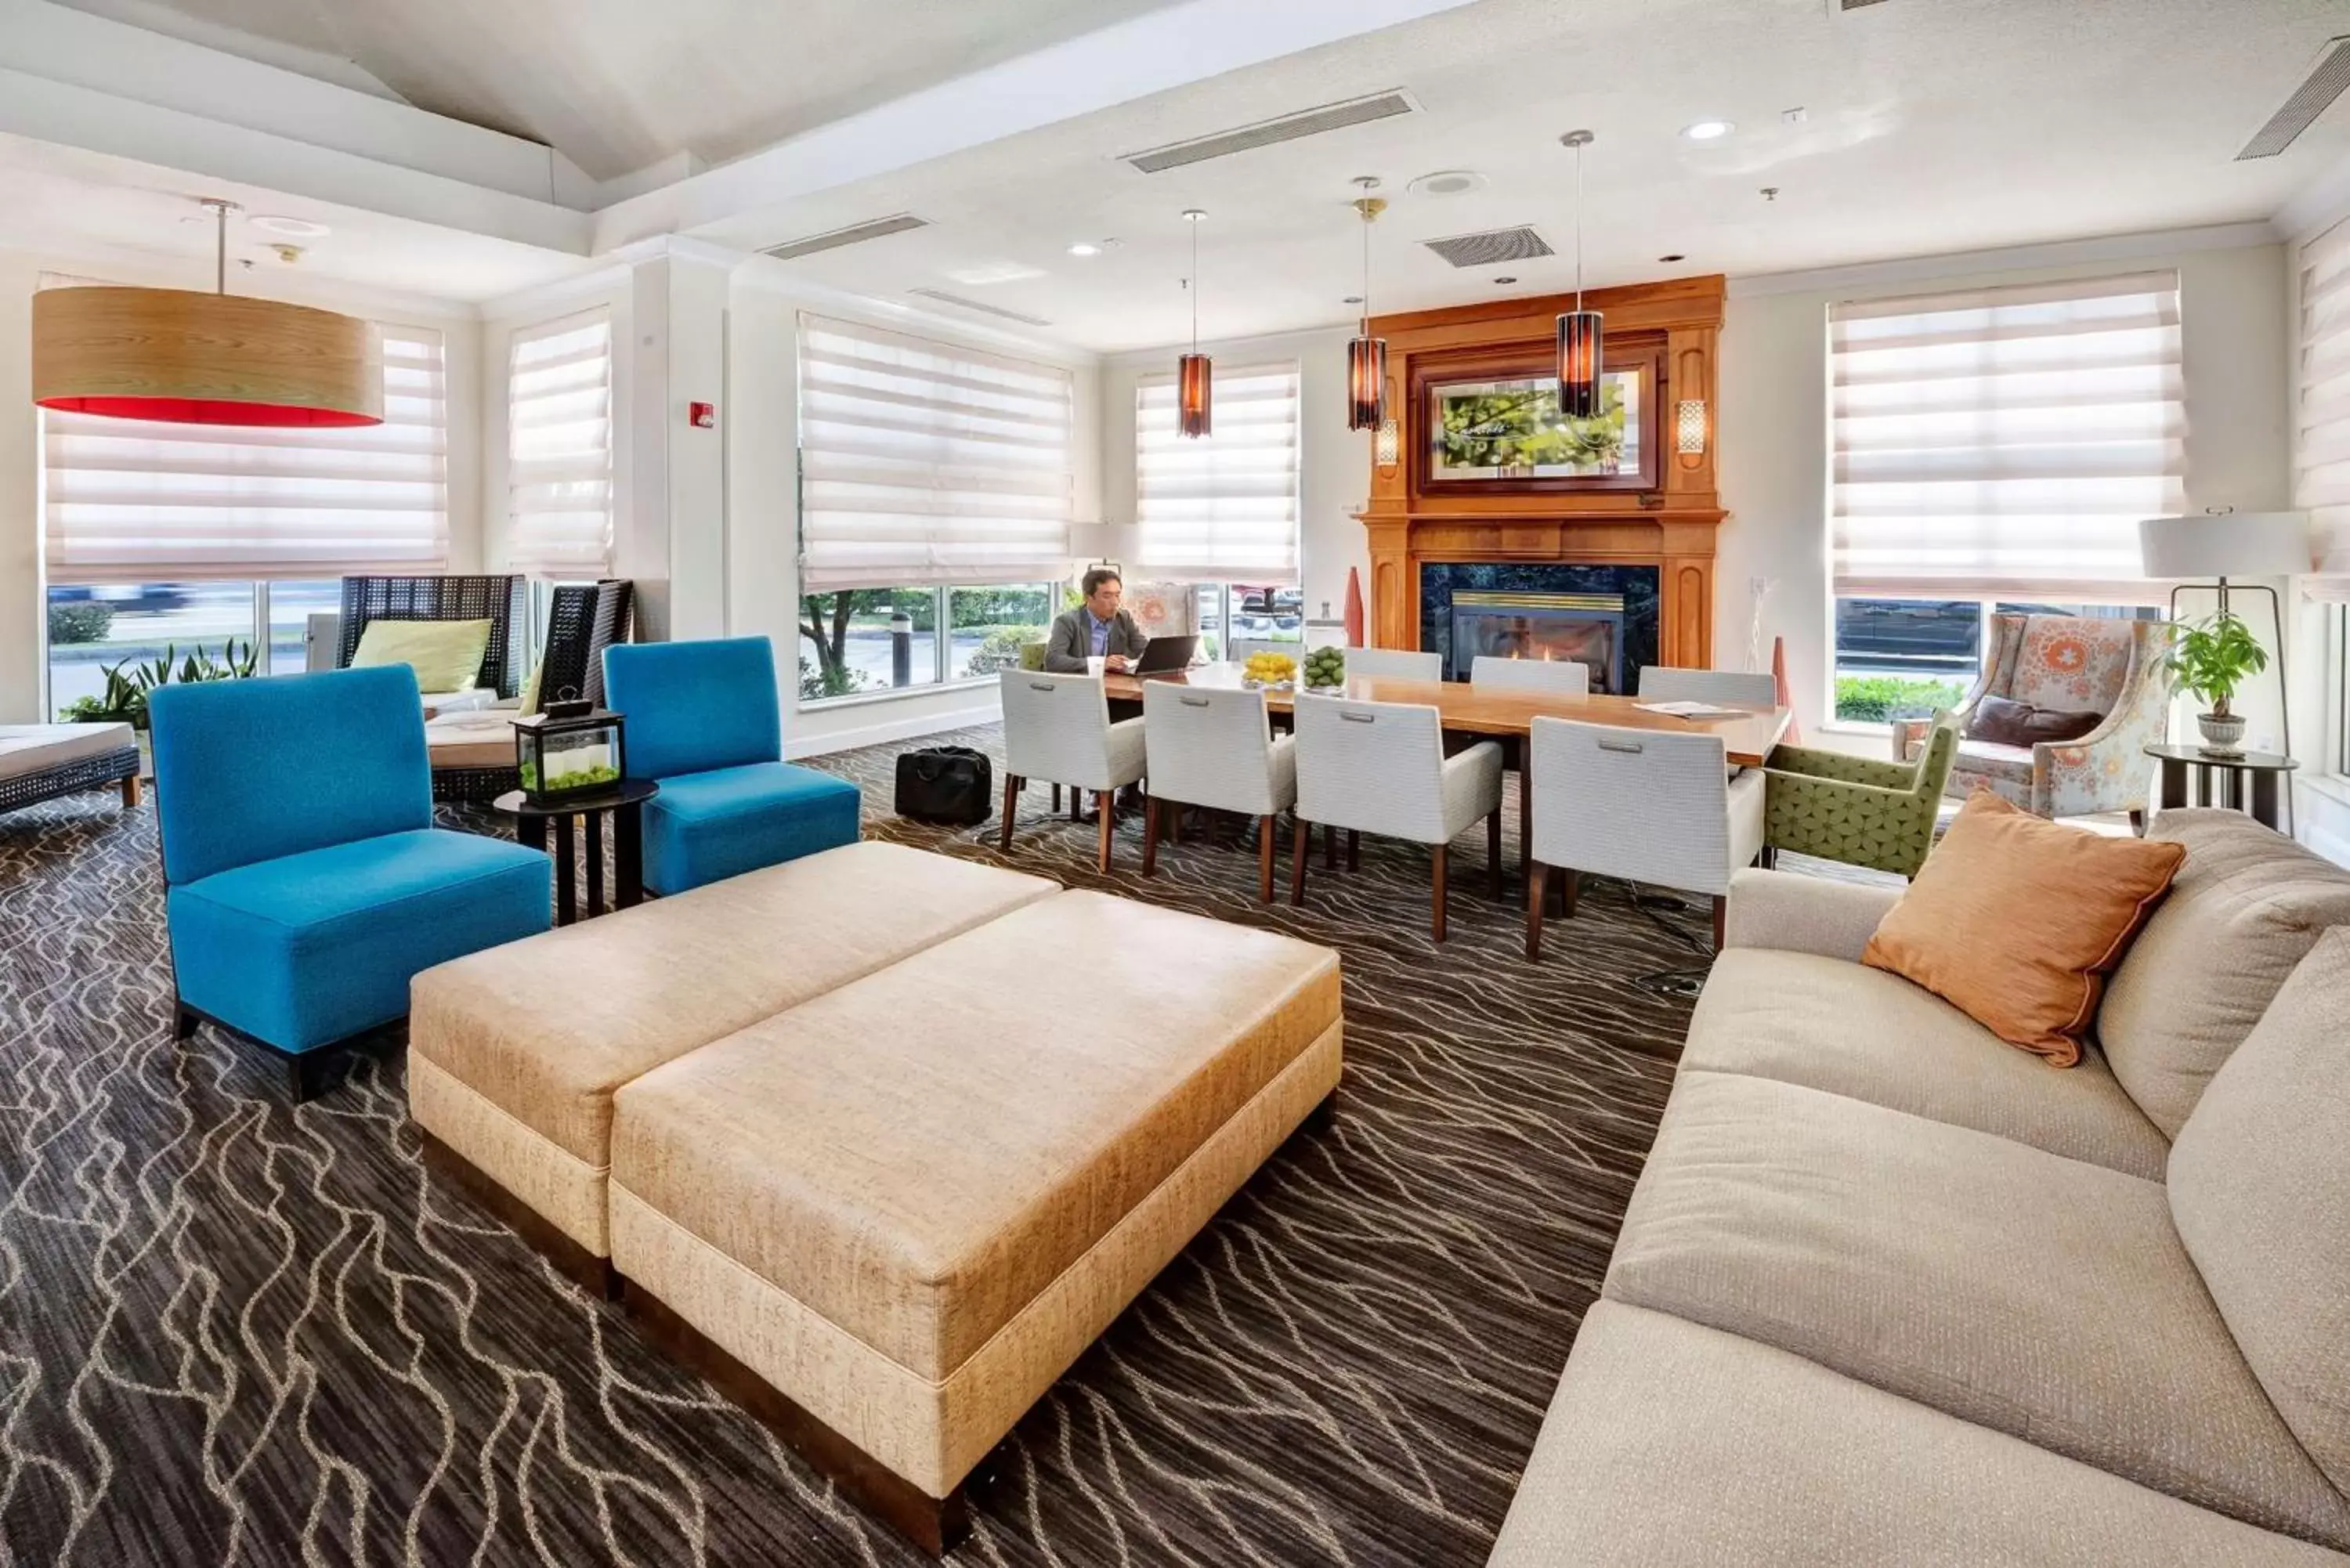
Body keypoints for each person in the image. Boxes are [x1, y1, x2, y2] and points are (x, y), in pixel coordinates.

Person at [1045, 568, 1151, 674]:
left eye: (1117, 595)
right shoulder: (1067, 622)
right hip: (1079, 684)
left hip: (1113, 683)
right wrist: (1100, 664)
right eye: (1107, 596)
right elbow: (1053, 661)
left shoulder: (1123, 618)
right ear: (1088, 597)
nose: (1115, 602)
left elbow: (1144, 649)